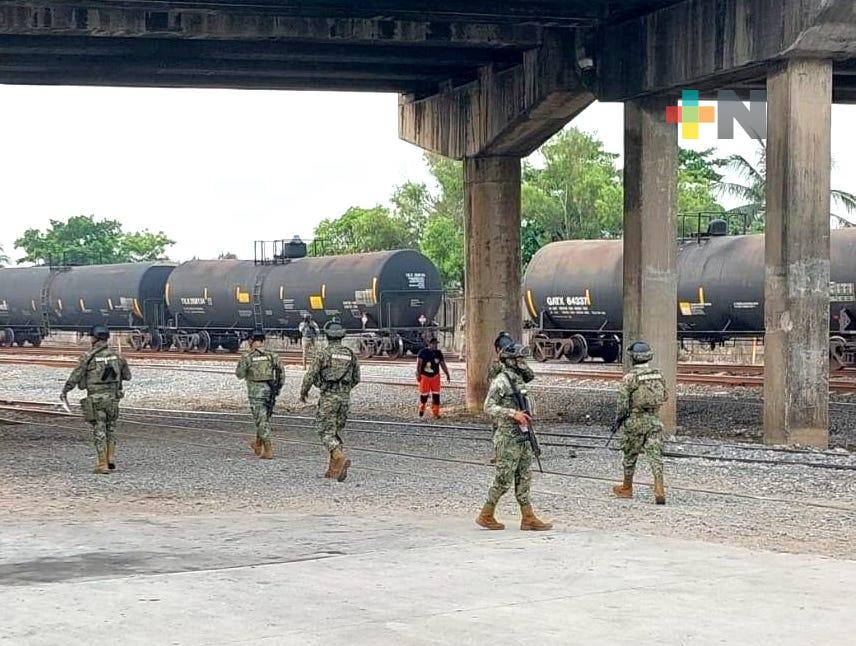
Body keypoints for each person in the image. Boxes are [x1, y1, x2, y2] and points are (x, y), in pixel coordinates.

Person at [476, 335, 551, 531]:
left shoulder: (517, 377)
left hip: (523, 434)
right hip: (508, 436)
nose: (522, 363)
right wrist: (513, 413)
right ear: (510, 360)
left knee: (524, 476)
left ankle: (528, 517)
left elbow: (529, 376)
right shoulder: (501, 380)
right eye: (519, 359)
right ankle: (486, 513)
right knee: (504, 478)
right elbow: (488, 406)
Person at [60, 325, 131, 474]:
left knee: (99, 430)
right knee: (111, 428)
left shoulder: (87, 357)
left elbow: (76, 376)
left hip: (96, 399)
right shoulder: (117, 355)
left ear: (94, 338)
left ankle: (102, 464)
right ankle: (110, 457)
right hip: (113, 399)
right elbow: (127, 376)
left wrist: (65, 391)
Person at [300, 319, 360, 482]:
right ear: (341, 336)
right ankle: (334, 470)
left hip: (328, 397)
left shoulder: (323, 354)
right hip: (345, 399)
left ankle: (339, 458)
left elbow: (311, 375)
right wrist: (344, 390)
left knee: (324, 432)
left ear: (327, 336)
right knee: (334, 432)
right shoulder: (350, 354)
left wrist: (303, 392)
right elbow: (356, 378)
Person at [612, 340, 667, 505]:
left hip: (635, 421)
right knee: (655, 456)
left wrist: (618, 421)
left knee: (630, 455)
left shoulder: (630, 378)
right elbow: (665, 396)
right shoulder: (658, 374)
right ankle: (659, 489)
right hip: (654, 420)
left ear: (633, 358)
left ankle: (627, 487)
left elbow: (622, 404)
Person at [235, 329, 284, 460]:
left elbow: (239, 374)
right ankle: (257, 443)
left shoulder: (247, 357)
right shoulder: (272, 355)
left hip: (255, 392)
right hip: (270, 391)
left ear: (250, 341)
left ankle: (268, 448)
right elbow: (281, 373)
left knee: (261, 420)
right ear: (263, 341)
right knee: (264, 419)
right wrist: (278, 388)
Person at [415, 336, 450, 418]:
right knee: (424, 395)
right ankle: (422, 407)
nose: (434, 345)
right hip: (425, 376)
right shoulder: (422, 352)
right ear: (429, 344)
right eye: (433, 344)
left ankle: (436, 412)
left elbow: (442, 364)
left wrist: (447, 373)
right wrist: (418, 374)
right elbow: (418, 365)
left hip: (435, 377)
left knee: (436, 395)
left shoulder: (438, 353)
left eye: (436, 344)